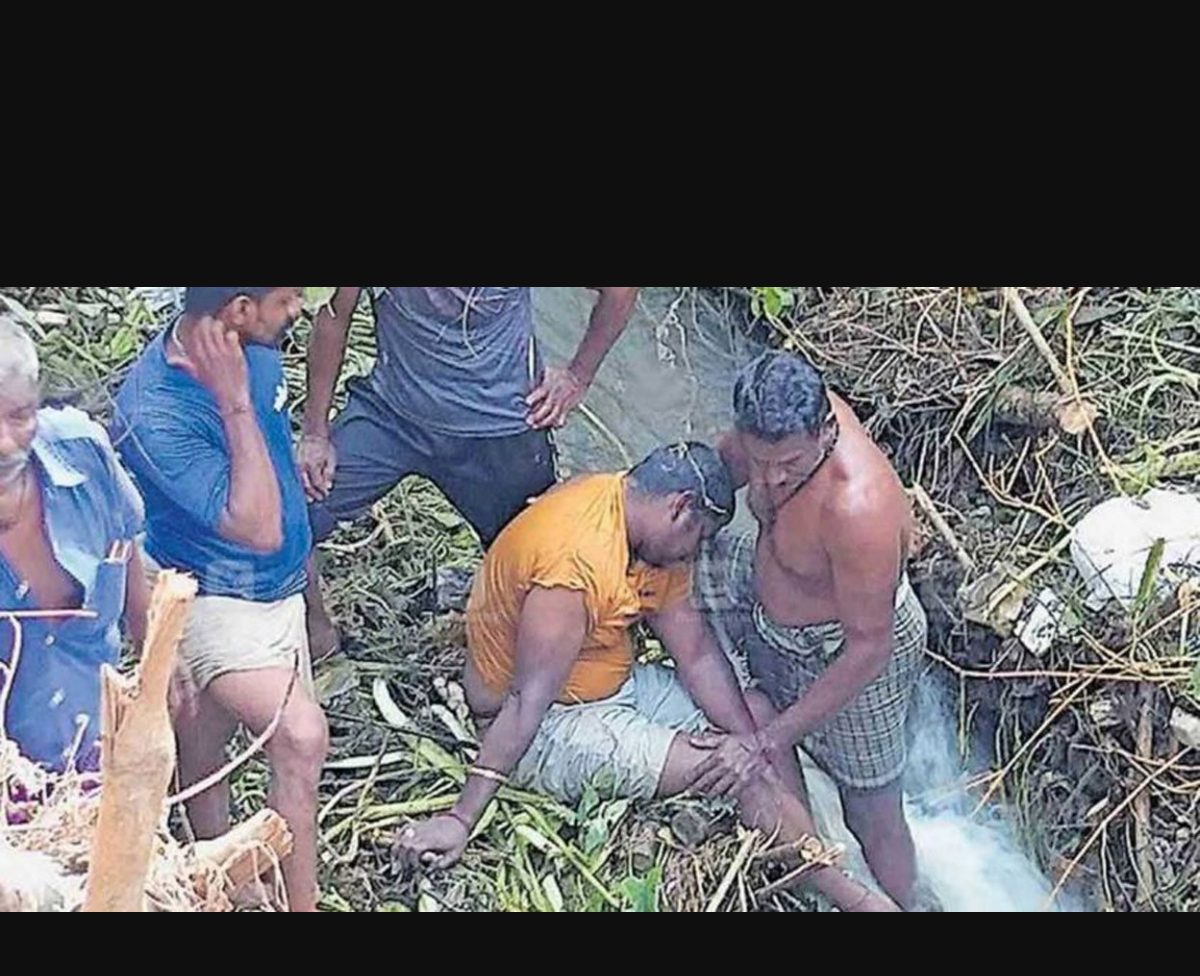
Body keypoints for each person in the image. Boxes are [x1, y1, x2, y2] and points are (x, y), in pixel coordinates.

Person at [396, 441, 896, 912]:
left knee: (757, 719)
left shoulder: (645, 527)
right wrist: (461, 819)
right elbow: (527, 702)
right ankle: (853, 899)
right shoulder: (572, 568)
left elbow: (696, 654)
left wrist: (754, 743)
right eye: (696, 541)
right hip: (549, 726)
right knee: (725, 772)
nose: (693, 556)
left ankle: (802, 848)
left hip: (615, 686)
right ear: (680, 509)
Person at [114, 287, 326, 912]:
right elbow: (258, 527)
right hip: (212, 593)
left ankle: (219, 870)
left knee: (206, 730)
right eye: (289, 299)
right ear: (237, 309)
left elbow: (279, 470)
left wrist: (314, 602)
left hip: (275, 588)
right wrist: (234, 402)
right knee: (300, 738)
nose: (300, 310)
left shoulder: (259, 348)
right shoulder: (153, 412)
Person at [699, 350, 927, 908]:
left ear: (827, 432)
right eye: (762, 461)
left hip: (852, 649)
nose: (772, 479)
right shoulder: (764, 438)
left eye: (790, 466)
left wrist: (769, 740)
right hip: (771, 609)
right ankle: (809, 867)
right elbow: (717, 470)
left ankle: (907, 901)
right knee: (674, 573)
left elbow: (868, 647)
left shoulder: (858, 507)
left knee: (871, 807)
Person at [301, 286, 639, 659]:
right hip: (390, 415)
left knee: (542, 562)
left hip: (498, 430)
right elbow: (333, 318)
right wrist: (315, 433)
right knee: (291, 513)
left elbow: (620, 292)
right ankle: (317, 636)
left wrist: (578, 377)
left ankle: (513, 664)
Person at [0, 317, 148, 778]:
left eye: (20, 416)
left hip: (99, 754)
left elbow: (126, 548)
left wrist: (157, 663)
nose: (5, 443)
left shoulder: (82, 450)